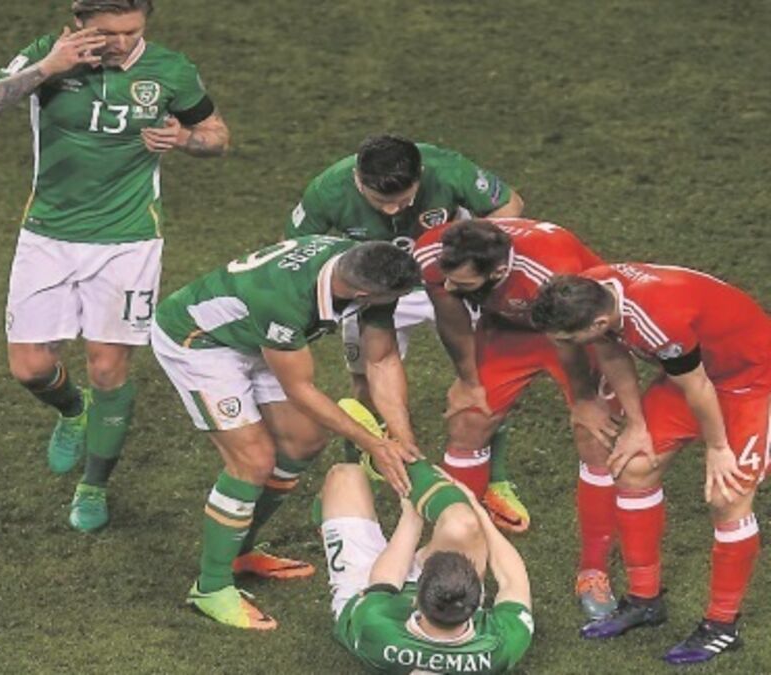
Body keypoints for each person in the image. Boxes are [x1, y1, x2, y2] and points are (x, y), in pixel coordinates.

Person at [0, 0, 230, 533]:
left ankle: (94, 485)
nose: (123, 43)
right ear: (79, 24)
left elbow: (217, 134)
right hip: (47, 235)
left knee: (108, 369)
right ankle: (72, 410)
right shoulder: (47, 56)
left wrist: (184, 139)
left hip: (128, 241)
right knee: (30, 368)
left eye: (133, 31)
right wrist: (46, 69)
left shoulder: (170, 69)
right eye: (108, 33)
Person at [152, 235, 424, 629]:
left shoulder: (369, 265)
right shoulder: (284, 299)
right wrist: (372, 443)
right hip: (200, 342)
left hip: (258, 335)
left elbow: (380, 359)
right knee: (253, 461)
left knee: (304, 442)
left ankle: (239, 551)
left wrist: (401, 438)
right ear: (364, 295)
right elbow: (301, 389)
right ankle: (210, 587)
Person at [286, 135, 530, 532]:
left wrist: (472, 258)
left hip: (446, 281)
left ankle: (495, 480)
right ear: (357, 178)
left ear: (420, 176)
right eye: (379, 201)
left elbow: (510, 204)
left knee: (485, 376)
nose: (392, 209)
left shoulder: (446, 168)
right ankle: (352, 480)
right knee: (365, 385)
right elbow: (299, 249)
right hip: (376, 289)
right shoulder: (327, 190)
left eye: (403, 200)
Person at [532, 265, 771, 665]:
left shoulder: (660, 317)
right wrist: (637, 425)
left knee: (727, 495)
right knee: (634, 467)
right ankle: (645, 600)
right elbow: (610, 351)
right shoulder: (595, 292)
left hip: (754, 381)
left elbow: (699, 387)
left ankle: (722, 625)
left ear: (599, 322)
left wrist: (718, 447)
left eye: (568, 338)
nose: (562, 345)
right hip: (695, 377)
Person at [413, 218, 620, 620]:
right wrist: (467, 380)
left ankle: (594, 569)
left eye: (464, 282)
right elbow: (449, 309)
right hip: (508, 332)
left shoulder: (552, 270)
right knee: (469, 421)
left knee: (595, 437)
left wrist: (584, 400)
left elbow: (574, 335)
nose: (450, 285)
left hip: (579, 334)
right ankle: (453, 555)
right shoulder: (434, 253)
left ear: (498, 272)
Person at [320, 457, 534, 673]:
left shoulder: (372, 624)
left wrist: (411, 511)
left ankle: (392, 455)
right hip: (401, 601)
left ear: (415, 600)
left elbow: (385, 580)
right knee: (464, 523)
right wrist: (479, 513)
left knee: (344, 477)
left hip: (365, 593)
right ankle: (396, 459)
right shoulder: (498, 647)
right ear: (477, 602)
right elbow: (514, 580)